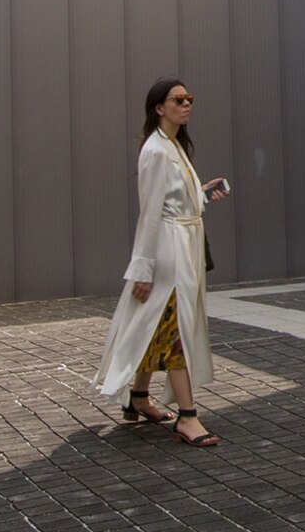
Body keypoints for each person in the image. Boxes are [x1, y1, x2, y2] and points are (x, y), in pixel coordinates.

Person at [97, 78, 232, 446]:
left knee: (157, 322)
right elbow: (151, 213)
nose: (186, 104)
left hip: (183, 246)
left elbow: (175, 202)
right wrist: (143, 269)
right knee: (176, 327)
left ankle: (138, 398)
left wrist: (202, 194)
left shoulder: (173, 146)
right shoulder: (156, 150)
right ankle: (188, 417)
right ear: (159, 107)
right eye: (178, 99)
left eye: (189, 98)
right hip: (169, 253)